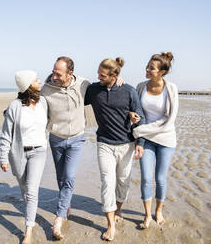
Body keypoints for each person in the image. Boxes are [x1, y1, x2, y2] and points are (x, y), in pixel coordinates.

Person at [41, 56, 124, 239]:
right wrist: (13, 108)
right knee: (61, 177)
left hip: (77, 139)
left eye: (58, 73)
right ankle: (66, 203)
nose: (54, 76)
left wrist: (117, 80)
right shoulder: (47, 89)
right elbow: (31, 100)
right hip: (56, 138)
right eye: (53, 72)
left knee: (69, 177)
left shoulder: (83, 84)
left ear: (70, 73)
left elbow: (104, 84)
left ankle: (59, 218)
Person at [84, 57, 145, 241]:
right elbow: (72, 95)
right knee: (107, 183)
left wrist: (140, 141)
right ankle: (110, 225)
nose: (98, 77)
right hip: (104, 144)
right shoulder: (94, 90)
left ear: (115, 75)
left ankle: (118, 209)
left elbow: (140, 116)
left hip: (127, 144)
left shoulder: (129, 91)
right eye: (98, 73)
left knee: (123, 183)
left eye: (102, 75)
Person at [130, 52, 178, 229]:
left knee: (160, 178)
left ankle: (158, 211)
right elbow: (133, 108)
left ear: (162, 72)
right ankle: (147, 215)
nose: (147, 69)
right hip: (145, 140)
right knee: (145, 178)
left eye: (152, 68)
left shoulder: (171, 89)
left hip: (166, 139)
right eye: (147, 65)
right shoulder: (140, 86)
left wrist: (140, 130)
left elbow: (169, 120)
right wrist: (132, 118)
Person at [0, 70, 48, 244]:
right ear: (27, 85)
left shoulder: (44, 103)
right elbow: (6, 134)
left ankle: (28, 232)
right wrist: (3, 157)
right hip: (19, 153)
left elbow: (54, 84)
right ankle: (31, 212)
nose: (39, 81)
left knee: (32, 191)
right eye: (36, 80)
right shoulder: (14, 106)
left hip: (39, 152)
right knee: (25, 192)